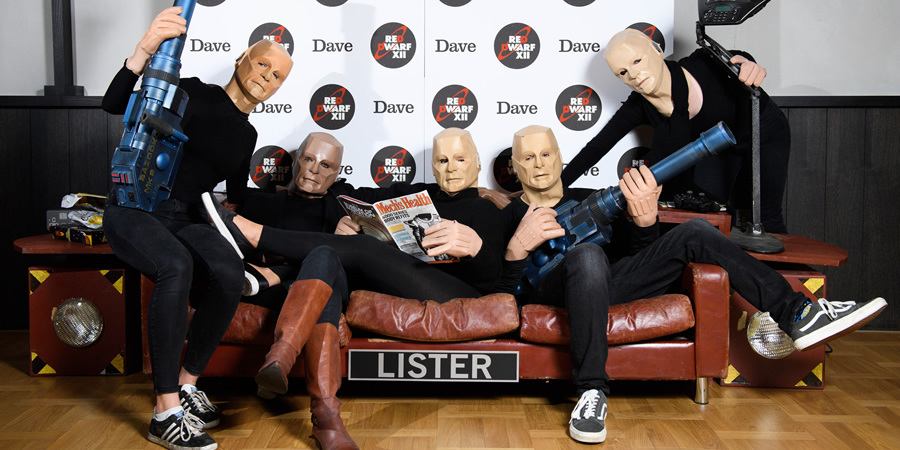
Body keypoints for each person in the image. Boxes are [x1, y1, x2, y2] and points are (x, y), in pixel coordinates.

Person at [501, 125, 887, 445]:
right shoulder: (503, 212)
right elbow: (496, 289)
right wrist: (518, 246)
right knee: (585, 256)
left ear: (560, 157)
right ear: (515, 168)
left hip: (603, 284)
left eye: (546, 154)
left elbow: (641, 262)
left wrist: (645, 221)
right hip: (550, 292)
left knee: (694, 232)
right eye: (528, 158)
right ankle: (591, 392)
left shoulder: (595, 200)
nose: (539, 165)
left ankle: (799, 313)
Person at [200, 128, 506, 449]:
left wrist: (477, 247)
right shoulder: (414, 193)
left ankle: (253, 234)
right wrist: (352, 221)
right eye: (442, 160)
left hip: (458, 292)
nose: (451, 168)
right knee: (325, 254)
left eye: (460, 159)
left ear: (476, 164)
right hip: (405, 282)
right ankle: (303, 384)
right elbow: (351, 198)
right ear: (432, 165)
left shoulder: (486, 208)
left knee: (358, 248)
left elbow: (493, 281)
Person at [100, 6, 293, 450]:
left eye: (278, 74)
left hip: (186, 217)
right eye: (263, 63)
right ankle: (163, 413)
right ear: (243, 59)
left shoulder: (248, 136)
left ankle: (186, 386)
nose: (267, 75)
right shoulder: (190, 92)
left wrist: (316, 204)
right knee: (176, 266)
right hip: (134, 210)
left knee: (229, 274)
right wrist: (142, 53)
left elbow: (237, 199)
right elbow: (114, 105)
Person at [562, 28, 790, 233]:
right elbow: (598, 146)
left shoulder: (704, 62)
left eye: (637, 61)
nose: (633, 75)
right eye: (622, 73)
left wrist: (749, 64)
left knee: (765, 216)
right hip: (722, 149)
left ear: (657, 50)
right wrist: (550, 188)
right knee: (722, 217)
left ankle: (790, 278)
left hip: (765, 133)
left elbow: (740, 60)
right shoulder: (638, 105)